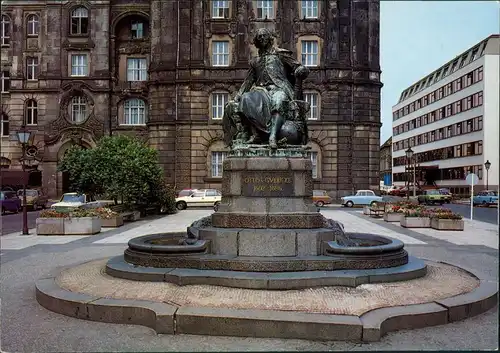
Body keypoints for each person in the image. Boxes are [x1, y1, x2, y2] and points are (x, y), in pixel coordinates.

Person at [223, 28, 310, 148]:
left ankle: (273, 136)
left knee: (278, 101)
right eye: (259, 37)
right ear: (257, 41)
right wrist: (237, 97)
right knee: (246, 99)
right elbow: (248, 82)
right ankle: (257, 134)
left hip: (279, 88)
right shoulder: (255, 61)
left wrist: (301, 70)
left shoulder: (280, 54)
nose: (262, 38)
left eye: (264, 36)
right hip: (261, 91)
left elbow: (298, 67)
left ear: (269, 39)